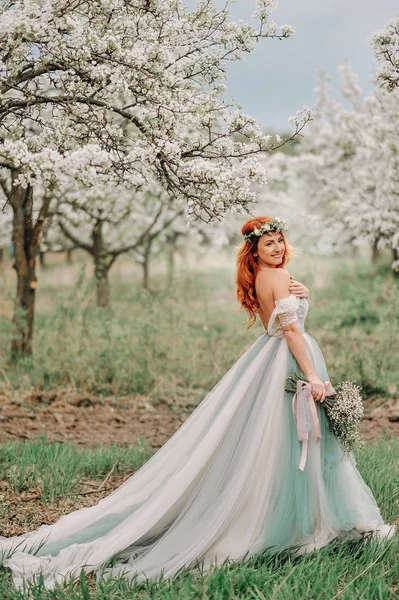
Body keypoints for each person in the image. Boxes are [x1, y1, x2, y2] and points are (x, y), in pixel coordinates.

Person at [0, 215, 395, 591]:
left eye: (279, 242)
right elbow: (290, 330)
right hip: (290, 360)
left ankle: (293, 515)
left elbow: (280, 318)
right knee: (297, 439)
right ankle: (297, 521)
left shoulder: (264, 276)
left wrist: (302, 292)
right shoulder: (274, 274)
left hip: (271, 358)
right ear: (254, 252)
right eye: (267, 244)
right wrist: (312, 375)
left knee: (281, 440)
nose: (276, 248)